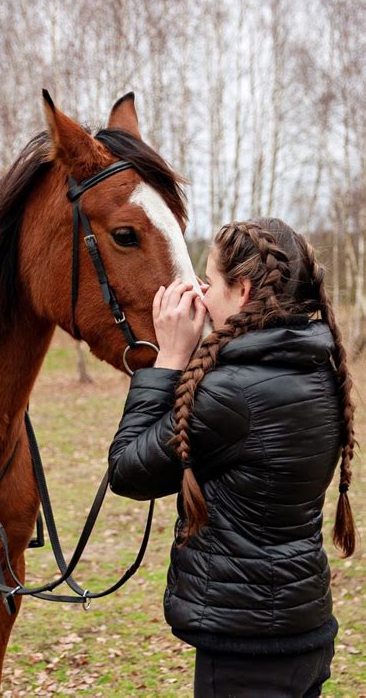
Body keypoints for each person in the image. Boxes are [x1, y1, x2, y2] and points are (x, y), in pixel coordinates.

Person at [108, 218, 356, 697]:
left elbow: (128, 471)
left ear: (242, 291)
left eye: (210, 280)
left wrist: (169, 362)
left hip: (249, 652)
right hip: (300, 632)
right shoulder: (317, 368)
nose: (200, 291)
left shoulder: (231, 395)